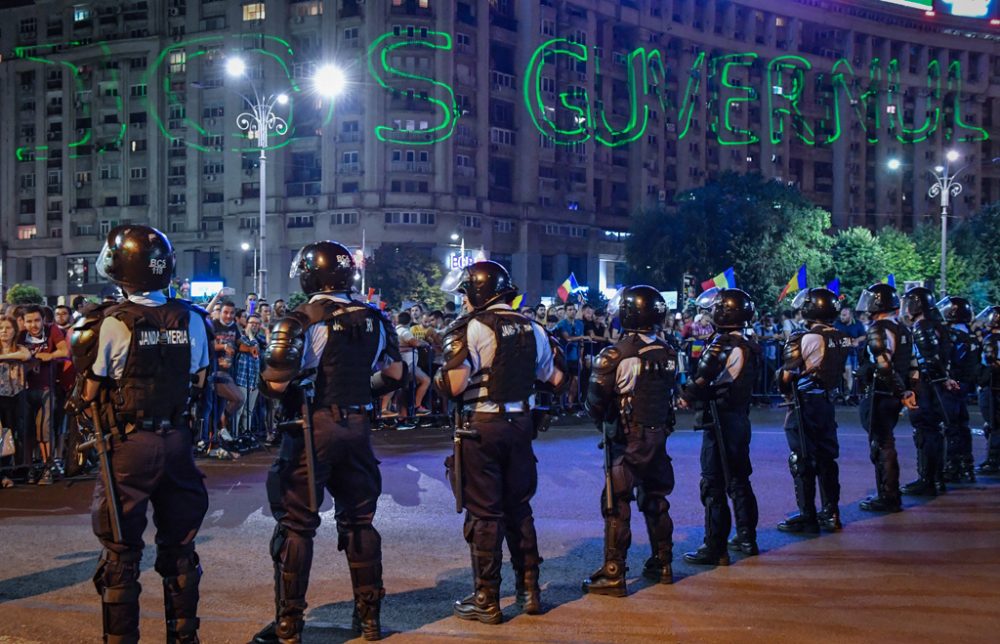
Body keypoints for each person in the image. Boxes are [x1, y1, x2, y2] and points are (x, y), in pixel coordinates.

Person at [252, 241, 404, 643]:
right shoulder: (375, 317)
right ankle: (369, 619)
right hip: (357, 424)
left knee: (297, 525)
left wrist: (289, 387)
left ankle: (289, 624)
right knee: (360, 522)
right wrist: (355, 393)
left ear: (310, 274)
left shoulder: (301, 319)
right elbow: (394, 374)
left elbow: (275, 382)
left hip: (312, 425)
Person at [72, 224, 211, 643]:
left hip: (130, 444)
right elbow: (200, 380)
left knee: (120, 553)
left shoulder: (109, 323)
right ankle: (183, 637)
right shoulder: (193, 319)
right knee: (180, 548)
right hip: (177, 442)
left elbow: (89, 391)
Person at [435, 261, 564, 624]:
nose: (462, 301)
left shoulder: (472, 327)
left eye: (465, 293)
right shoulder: (534, 328)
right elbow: (554, 378)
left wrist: (439, 378)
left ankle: (486, 598)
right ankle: (530, 591)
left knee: (485, 512)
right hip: (521, 425)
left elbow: (456, 385)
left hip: (483, 426)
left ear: (478, 292)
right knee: (519, 509)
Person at [581, 285, 677, 596]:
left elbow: (594, 402)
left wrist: (604, 424)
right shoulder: (668, 351)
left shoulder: (616, 354)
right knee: (656, 501)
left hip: (627, 438)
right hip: (658, 436)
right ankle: (663, 563)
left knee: (616, 503)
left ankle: (614, 572)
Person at [677, 288, 760, 565]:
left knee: (713, 484)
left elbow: (703, 379)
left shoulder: (723, 343)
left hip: (721, 419)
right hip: (739, 418)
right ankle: (747, 537)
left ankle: (715, 547)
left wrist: (685, 396)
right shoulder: (749, 341)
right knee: (739, 480)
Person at [775, 288, 851, 534]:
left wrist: (784, 384)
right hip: (827, 403)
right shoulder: (842, 336)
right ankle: (831, 512)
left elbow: (786, 376)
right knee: (827, 458)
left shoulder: (806, 337)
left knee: (802, 457)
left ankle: (808, 514)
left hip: (805, 403)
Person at [855, 283, 918, 513]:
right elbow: (912, 364)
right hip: (893, 392)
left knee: (881, 444)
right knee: (885, 442)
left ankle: (888, 495)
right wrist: (908, 390)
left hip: (881, 394)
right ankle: (889, 492)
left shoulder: (878, 329)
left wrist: (901, 391)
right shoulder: (902, 329)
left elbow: (884, 365)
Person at [900, 287, 954, 496]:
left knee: (925, 431)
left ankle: (928, 479)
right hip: (934, 384)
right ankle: (935, 477)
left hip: (926, 385)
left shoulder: (922, 326)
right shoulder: (935, 325)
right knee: (932, 431)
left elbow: (929, 359)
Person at [18, 304, 69, 484]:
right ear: (22, 322)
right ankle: (29, 468)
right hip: (22, 390)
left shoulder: (51, 330)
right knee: (27, 432)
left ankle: (48, 468)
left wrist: (50, 355)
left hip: (46, 388)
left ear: (43, 320)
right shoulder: (20, 335)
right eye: (29, 321)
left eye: (37, 320)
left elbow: (64, 350)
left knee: (45, 430)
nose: (34, 325)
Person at [936, 296, 980, 483]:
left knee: (951, 425)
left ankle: (952, 465)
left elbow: (946, 359)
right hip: (964, 384)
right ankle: (965, 462)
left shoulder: (952, 335)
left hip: (952, 382)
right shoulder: (970, 333)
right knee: (962, 424)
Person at [0, 315, 30, 487]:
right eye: (1, 328)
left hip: (13, 396)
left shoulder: (19, 348)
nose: (4, 331)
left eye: (8, 328)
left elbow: (25, 355)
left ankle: (6, 473)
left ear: (15, 331)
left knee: (8, 435)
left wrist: (5, 357)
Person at [212, 300, 245, 442]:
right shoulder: (213, 325)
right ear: (220, 312)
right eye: (225, 312)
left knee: (230, 402)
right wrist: (224, 347)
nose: (228, 316)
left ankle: (221, 429)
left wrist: (250, 349)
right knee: (238, 398)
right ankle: (221, 425)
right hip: (215, 372)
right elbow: (209, 345)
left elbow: (239, 344)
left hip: (229, 371)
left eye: (232, 313)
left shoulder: (234, 327)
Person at [975, 305, 1000, 473]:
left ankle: (994, 459)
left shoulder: (991, 339)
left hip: (993, 387)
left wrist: (982, 380)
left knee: (993, 424)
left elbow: (991, 365)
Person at [834, 308, 867, 400]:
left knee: (853, 372)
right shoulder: (837, 324)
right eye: (841, 315)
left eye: (844, 315)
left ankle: (850, 393)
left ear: (850, 316)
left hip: (854, 352)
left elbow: (863, 336)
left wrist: (857, 340)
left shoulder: (858, 324)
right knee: (847, 370)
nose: (842, 317)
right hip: (842, 352)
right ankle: (847, 394)